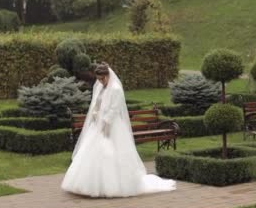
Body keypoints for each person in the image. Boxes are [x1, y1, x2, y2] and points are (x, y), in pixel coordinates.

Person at [61, 62, 176, 197]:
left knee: (111, 152)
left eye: (102, 79)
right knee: (92, 152)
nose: (100, 82)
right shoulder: (100, 88)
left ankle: (112, 185)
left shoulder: (115, 89)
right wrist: (95, 115)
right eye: (98, 79)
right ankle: (87, 183)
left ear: (108, 75)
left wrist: (105, 123)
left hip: (112, 125)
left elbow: (114, 109)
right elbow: (96, 104)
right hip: (97, 124)